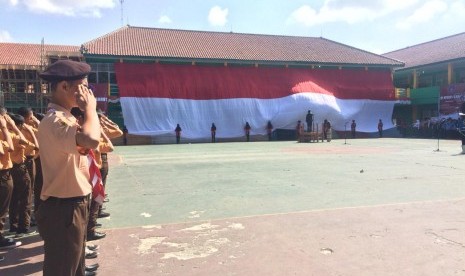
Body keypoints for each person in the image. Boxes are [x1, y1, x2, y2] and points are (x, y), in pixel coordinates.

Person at [36, 59, 101, 276]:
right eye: (82, 86)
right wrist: (90, 109)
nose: (85, 92)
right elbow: (92, 140)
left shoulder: (66, 118)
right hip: (63, 209)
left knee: (74, 268)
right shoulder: (56, 121)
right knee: (63, 270)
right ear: (64, 87)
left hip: (72, 205)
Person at [0, 108, 22, 250]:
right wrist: (6, 128)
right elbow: (9, 148)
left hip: (5, 173)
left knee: (3, 210)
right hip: (2, 175)